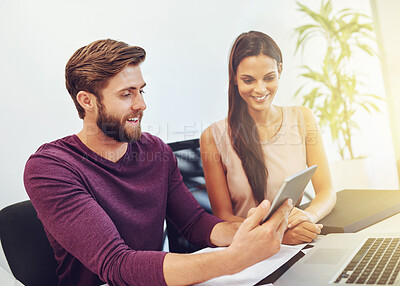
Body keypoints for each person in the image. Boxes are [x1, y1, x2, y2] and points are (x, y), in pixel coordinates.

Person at [23, 39, 292, 286]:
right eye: (127, 94)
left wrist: (259, 233)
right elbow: (116, 264)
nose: (141, 104)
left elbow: (195, 224)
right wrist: (234, 260)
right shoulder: (50, 168)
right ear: (87, 101)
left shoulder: (155, 151)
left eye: (141, 91)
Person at [200, 31, 336, 245]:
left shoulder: (302, 118)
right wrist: (278, 233)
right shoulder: (213, 137)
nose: (260, 89)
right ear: (234, 77)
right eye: (248, 80)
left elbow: (327, 191)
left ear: (279, 71)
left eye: (269, 78)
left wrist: (308, 217)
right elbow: (223, 217)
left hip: (296, 241)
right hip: (249, 249)